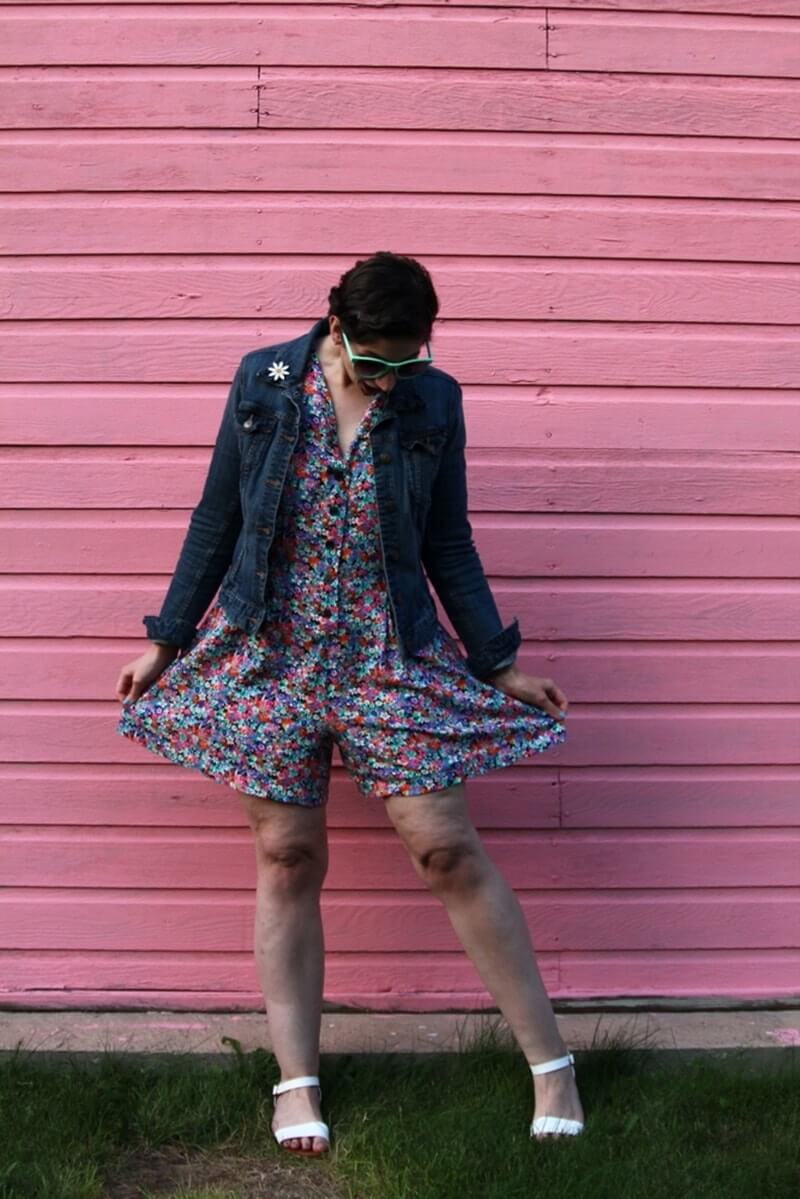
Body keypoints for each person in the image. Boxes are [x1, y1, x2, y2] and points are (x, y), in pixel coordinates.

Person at [115, 251, 585, 1156]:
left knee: (445, 846)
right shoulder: (266, 381)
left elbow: (448, 540)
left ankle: (552, 1064)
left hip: (387, 651)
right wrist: (165, 640)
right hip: (272, 651)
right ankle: (296, 1080)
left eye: (409, 361)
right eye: (376, 363)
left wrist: (497, 663)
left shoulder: (434, 400)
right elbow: (217, 519)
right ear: (337, 328)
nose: (391, 379)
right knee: (287, 855)